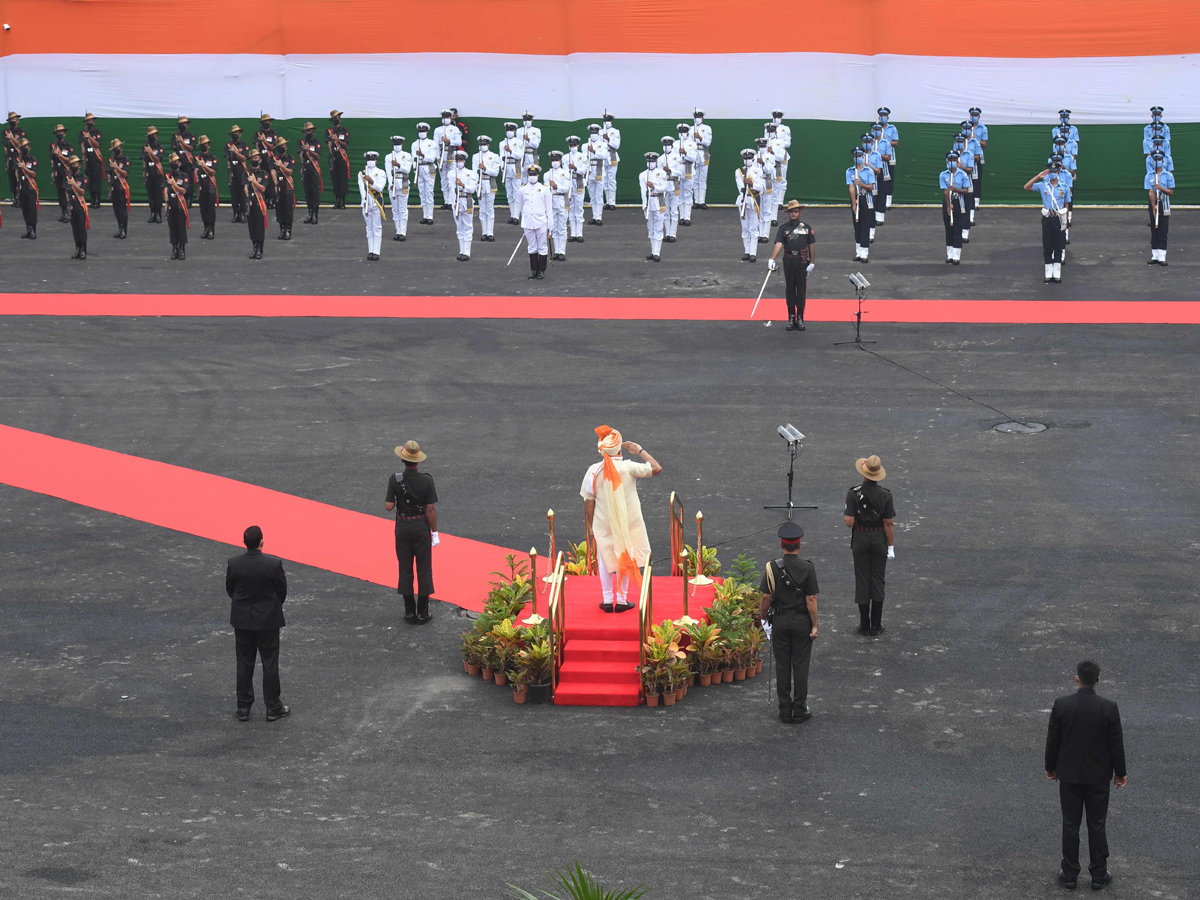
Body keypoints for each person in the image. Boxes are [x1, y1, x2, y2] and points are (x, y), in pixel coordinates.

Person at [1045, 660, 1126, 891]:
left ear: (1077, 678)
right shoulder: (1109, 708)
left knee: (1070, 824)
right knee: (1097, 824)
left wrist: (1050, 767)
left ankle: (1070, 874)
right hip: (1099, 777)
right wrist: (1120, 773)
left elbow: (1053, 740)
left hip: (1069, 776)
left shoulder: (1061, 705)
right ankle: (1099, 874)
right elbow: (1116, 745)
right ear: (1098, 681)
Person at [581, 426, 661, 612]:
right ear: (619, 449)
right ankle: (622, 600)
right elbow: (656, 468)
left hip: (603, 522)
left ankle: (607, 600)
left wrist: (590, 524)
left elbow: (588, 501)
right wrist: (639, 450)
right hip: (628, 522)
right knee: (625, 556)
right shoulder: (628, 466)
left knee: (605, 559)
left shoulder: (594, 470)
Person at [225, 525, 290, 723]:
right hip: (268, 621)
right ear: (262, 541)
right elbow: (282, 591)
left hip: (242, 620)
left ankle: (243, 707)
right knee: (270, 663)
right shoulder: (272, 564)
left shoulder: (234, 563)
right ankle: (273, 707)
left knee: (244, 662)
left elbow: (230, 589)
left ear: (244, 542)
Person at [759, 521, 818, 724]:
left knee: (782, 666)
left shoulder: (771, 568)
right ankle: (800, 709)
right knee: (800, 667)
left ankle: (785, 710)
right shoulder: (808, 568)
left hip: (781, 621)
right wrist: (815, 625)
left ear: (782, 545)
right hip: (802, 621)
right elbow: (811, 599)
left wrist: (762, 617)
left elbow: (766, 597)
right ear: (799, 545)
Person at [385, 441, 439, 625]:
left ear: (402, 459)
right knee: (424, 567)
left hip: (402, 527)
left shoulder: (395, 479)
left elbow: (388, 506)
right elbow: (430, 509)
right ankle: (423, 612)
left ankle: (409, 611)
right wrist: (434, 532)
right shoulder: (427, 480)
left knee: (405, 567)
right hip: (421, 527)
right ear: (418, 460)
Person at [843, 454, 895, 636]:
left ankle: (864, 624)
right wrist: (891, 547)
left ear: (864, 473)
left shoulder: (853, 493)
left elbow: (849, 522)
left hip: (860, 538)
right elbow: (888, 523)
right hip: (879, 538)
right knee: (878, 579)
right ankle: (876, 625)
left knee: (863, 579)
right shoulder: (886, 495)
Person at [767, 200, 816, 331]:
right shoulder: (783, 228)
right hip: (788, 259)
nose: (793, 214)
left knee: (801, 288)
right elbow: (778, 244)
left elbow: (811, 246)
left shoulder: (806, 227)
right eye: (791, 212)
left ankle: (800, 317)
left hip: (802, 260)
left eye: (796, 211)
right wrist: (772, 258)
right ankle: (790, 316)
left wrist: (812, 262)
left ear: (799, 212)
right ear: (788, 213)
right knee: (790, 288)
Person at [1024, 163, 1069, 283]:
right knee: (1047, 245)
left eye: (1055, 171)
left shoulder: (1064, 187)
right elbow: (1026, 187)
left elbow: (1066, 205)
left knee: (1058, 245)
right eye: (1050, 171)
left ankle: (1057, 272)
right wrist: (1038, 176)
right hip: (1047, 218)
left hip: (1058, 219)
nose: (1052, 173)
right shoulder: (1043, 185)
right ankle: (1048, 273)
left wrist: (1066, 222)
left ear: (1058, 172)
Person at [519, 163, 553, 278]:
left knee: (542, 247)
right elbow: (522, 207)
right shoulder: (522, 189)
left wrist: (550, 226)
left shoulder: (544, 189)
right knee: (532, 246)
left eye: (534, 174)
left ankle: (541, 270)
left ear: (538, 175)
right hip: (528, 222)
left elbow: (549, 208)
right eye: (530, 174)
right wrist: (525, 218)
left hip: (541, 222)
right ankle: (534, 270)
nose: (532, 176)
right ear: (527, 175)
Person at [939, 151, 971, 264]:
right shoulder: (943, 175)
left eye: (954, 160)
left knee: (957, 229)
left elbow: (966, 190)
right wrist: (948, 206)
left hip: (959, 203)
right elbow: (945, 192)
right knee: (948, 229)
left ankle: (957, 256)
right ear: (947, 161)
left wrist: (956, 189)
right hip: (948, 202)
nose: (952, 163)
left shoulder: (962, 175)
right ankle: (950, 255)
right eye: (950, 160)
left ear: (957, 162)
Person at [845, 147, 876, 262]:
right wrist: (854, 204)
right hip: (856, 200)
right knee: (857, 225)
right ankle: (858, 252)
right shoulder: (849, 171)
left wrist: (861, 183)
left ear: (863, 157)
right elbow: (851, 187)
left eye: (860, 156)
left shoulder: (869, 171)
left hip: (866, 200)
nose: (858, 158)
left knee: (865, 225)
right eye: (856, 156)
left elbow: (871, 187)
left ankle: (864, 253)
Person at [735, 148, 764, 262]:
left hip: (754, 199)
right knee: (745, 227)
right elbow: (740, 187)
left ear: (753, 158)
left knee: (753, 227)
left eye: (749, 158)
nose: (747, 160)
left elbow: (761, 187)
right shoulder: (739, 171)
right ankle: (746, 251)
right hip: (743, 199)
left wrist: (752, 184)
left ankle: (753, 253)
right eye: (745, 158)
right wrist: (744, 197)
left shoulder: (758, 170)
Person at [638, 151, 668, 262]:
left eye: (652, 161)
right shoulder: (642, 175)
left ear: (656, 162)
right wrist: (644, 205)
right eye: (649, 161)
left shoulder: (661, 173)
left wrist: (654, 186)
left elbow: (664, 187)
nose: (650, 163)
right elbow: (642, 191)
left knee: (658, 228)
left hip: (658, 200)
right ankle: (652, 251)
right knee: (650, 228)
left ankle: (657, 252)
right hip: (649, 203)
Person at [1146, 151, 1174, 265]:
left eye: (1159, 159)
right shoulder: (1149, 176)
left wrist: (1161, 188)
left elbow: (1170, 192)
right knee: (1154, 228)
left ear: (1163, 161)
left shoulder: (1168, 175)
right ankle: (1155, 255)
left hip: (1165, 204)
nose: (1157, 162)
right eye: (1155, 159)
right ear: (1152, 161)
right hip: (1154, 203)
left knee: (1163, 229)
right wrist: (1154, 207)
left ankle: (1162, 257)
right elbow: (1150, 192)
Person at [450, 149, 478, 261]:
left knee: (468, 226)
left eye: (461, 159)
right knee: (459, 227)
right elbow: (451, 190)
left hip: (467, 201)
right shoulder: (451, 173)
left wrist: (462, 184)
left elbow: (472, 189)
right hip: (456, 203)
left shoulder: (471, 174)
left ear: (465, 161)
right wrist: (453, 203)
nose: (459, 162)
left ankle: (467, 252)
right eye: (457, 160)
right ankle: (461, 250)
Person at [359, 150, 387, 261]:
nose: (370, 161)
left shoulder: (381, 172)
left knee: (377, 228)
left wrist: (371, 181)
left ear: (376, 160)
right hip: (366, 204)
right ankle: (370, 250)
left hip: (376, 204)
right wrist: (364, 199)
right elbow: (361, 189)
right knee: (369, 228)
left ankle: (376, 251)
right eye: (369, 159)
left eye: (372, 159)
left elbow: (380, 188)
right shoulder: (361, 173)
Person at [472, 134, 500, 243]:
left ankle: (490, 232)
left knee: (490, 208)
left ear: (488, 145)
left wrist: (485, 168)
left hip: (490, 182)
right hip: (480, 183)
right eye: (481, 144)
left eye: (484, 144)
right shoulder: (475, 156)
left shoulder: (494, 156)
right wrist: (477, 184)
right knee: (482, 209)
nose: (482, 146)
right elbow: (474, 172)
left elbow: (496, 172)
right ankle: (484, 232)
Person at [384, 135, 413, 242]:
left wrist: (398, 165)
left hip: (403, 183)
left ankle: (403, 232)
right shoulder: (388, 156)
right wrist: (390, 182)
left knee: (403, 209)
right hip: (393, 184)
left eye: (398, 144)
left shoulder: (407, 155)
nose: (397, 146)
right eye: (395, 144)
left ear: (402, 144)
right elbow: (387, 171)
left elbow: (407, 170)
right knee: (395, 209)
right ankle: (397, 231)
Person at [432, 109, 462, 210]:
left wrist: (448, 141)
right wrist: (438, 157)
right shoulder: (437, 130)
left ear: (450, 118)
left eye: (447, 117)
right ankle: (446, 201)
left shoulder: (455, 129)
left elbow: (459, 142)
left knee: (452, 178)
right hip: (441, 155)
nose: (445, 119)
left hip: (451, 155)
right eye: (444, 117)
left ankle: (451, 201)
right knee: (443, 180)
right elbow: (435, 144)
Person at [163, 152, 190, 260]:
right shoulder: (167, 176)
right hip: (171, 204)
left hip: (180, 205)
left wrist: (174, 185)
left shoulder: (184, 176)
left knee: (181, 227)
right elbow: (165, 189)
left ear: (179, 163)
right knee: (172, 228)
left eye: (176, 162)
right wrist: (166, 202)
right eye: (172, 162)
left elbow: (183, 191)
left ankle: (182, 248)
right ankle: (175, 248)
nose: (175, 164)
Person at [244, 148, 269, 259]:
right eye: (253, 158)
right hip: (250, 202)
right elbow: (245, 187)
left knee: (259, 226)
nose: (254, 160)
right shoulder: (246, 173)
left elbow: (263, 189)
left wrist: (254, 182)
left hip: (259, 203)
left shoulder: (263, 174)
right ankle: (254, 247)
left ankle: (260, 249)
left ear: (260, 160)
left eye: (256, 158)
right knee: (252, 226)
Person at [193, 135, 219, 240]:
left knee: (210, 209)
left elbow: (213, 172)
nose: (204, 146)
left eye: (205, 144)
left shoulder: (212, 158)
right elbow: (194, 171)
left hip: (210, 185)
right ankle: (206, 228)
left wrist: (204, 166)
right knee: (203, 209)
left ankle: (212, 229)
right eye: (202, 145)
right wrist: (197, 182)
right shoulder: (196, 158)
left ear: (208, 145)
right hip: (201, 186)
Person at [545, 150, 570, 260]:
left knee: (562, 226)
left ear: (560, 161)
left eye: (557, 160)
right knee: (553, 227)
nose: (555, 162)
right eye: (553, 160)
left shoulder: (565, 173)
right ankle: (556, 251)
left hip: (561, 199)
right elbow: (545, 189)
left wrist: (556, 186)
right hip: (551, 200)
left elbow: (567, 188)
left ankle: (562, 251)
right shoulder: (547, 174)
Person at [858, 133, 883, 243]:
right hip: (859, 190)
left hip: (872, 188)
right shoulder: (859, 156)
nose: (867, 144)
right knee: (861, 212)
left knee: (871, 211)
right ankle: (862, 233)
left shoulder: (876, 155)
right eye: (865, 142)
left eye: (869, 142)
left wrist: (869, 167)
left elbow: (878, 171)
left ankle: (871, 233)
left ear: (872, 143)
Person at [498, 122, 525, 223]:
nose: (509, 132)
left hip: (515, 167)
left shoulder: (519, 142)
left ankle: (517, 216)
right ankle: (512, 215)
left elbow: (519, 156)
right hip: (506, 168)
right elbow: (501, 157)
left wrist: (510, 151)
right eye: (508, 130)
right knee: (509, 194)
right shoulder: (502, 143)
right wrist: (502, 168)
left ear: (514, 131)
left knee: (516, 193)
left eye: (511, 130)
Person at [65, 156, 89, 260]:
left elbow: (82, 191)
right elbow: (65, 191)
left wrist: (74, 184)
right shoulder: (67, 178)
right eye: (72, 165)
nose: (74, 166)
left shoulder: (83, 177)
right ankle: (77, 248)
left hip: (80, 205)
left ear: (79, 165)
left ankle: (83, 249)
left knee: (81, 228)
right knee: (75, 229)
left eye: (76, 164)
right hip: (71, 205)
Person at [49, 124, 74, 223]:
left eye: (62, 132)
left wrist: (60, 154)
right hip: (57, 172)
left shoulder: (68, 146)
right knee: (60, 193)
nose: (60, 133)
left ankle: (69, 212)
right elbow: (52, 160)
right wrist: (53, 172)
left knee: (66, 193)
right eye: (58, 132)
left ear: (64, 134)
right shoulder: (52, 146)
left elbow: (70, 160)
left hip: (66, 172)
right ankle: (63, 212)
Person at [659, 135, 682, 243]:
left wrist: (670, 170)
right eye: (665, 145)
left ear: (672, 146)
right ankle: (667, 233)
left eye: (668, 145)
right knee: (665, 211)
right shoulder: (659, 159)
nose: (666, 147)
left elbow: (681, 171)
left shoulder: (677, 157)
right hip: (664, 186)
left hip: (674, 184)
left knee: (674, 211)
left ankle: (673, 234)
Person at [675, 123, 699, 226]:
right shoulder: (675, 144)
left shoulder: (692, 144)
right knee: (679, 194)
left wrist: (685, 153)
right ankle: (681, 216)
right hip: (678, 171)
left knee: (688, 194)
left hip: (689, 171)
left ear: (687, 133)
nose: (682, 133)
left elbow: (694, 158)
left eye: (684, 131)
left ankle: (687, 217)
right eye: (680, 131)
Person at [412, 123, 437, 224]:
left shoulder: (432, 143)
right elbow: (413, 158)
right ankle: (425, 215)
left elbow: (432, 158)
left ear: (427, 132)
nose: (421, 133)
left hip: (428, 167)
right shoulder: (414, 144)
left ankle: (430, 216)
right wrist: (415, 170)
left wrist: (422, 155)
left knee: (429, 192)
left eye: (423, 131)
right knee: (422, 193)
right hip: (419, 168)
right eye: (420, 131)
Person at [565, 135, 587, 242]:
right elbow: (564, 172)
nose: (572, 146)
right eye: (571, 145)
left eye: (574, 145)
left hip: (579, 182)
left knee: (579, 208)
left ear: (577, 145)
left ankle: (579, 233)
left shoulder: (583, 156)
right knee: (571, 209)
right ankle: (573, 233)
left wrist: (575, 168)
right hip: (569, 183)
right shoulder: (565, 157)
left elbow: (583, 171)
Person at [326, 110, 350, 209]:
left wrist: (337, 139)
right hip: (333, 157)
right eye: (335, 117)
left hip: (342, 158)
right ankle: (337, 201)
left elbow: (345, 145)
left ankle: (342, 202)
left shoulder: (344, 131)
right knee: (335, 179)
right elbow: (328, 144)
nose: (337, 118)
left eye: (338, 116)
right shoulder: (328, 131)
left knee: (342, 179)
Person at [170, 116, 197, 207]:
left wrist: (182, 142)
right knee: (178, 180)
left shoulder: (191, 136)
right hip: (178, 162)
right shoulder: (175, 136)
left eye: (184, 124)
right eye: (181, 124)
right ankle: (180, 197)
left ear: (187, 125)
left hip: (188, 161)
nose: (183, 125)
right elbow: (174, 148)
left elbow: (191, 148)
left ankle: (189, 199)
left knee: (189, 181)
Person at [272, 138, 295, 240]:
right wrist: (276, 184)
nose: (282, 147)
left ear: (286, 147)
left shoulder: (290, 158)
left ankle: (288, 230)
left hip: (287, 185)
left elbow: (290, 172)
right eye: (280, 146)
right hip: (279, 185)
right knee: (279, 208)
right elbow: (272, 171)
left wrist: (282, 166)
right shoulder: (273, 159)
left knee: (288, 209)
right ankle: (281, 229)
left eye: (283, 145)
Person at [300, 123, 323, 225]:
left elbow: (317, 156)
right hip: (306, 168)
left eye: (310, 130)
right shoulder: (301, 143)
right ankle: (309, 213)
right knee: (307, 193)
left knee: (314, 192)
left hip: (314, 169)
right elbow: (301, 157)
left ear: (313, 131)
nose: (308, 132)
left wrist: (309, 150)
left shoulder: (316, 142)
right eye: (307, 131)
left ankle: (315, 214)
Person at [225, 125, 249, 224]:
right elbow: (228, 159)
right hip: (233, 171)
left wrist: (235, 152)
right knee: (234, 194)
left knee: (242, 193)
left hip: (241, 170)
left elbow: (244, 158)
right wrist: (229, 171)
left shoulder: (244, 145)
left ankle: (243, 213)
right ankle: (235, 213)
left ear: (240, 134)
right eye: (233, 133)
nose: (235, 134)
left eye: (237, 133)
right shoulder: (228, 145)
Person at [79, 112, 104, 208]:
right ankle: (92, 198)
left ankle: (97, 199)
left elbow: (97, 144)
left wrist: (89, 137)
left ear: (93, 121)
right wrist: (84, 155)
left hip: (96, 158)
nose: (89, 122)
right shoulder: (82, 133)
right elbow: (82, 144)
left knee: (96, 179)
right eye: (87, 121)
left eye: (90, 120)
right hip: (88, 158)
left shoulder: (97, 133)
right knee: (89, 179)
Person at [107, 138, 130, 240]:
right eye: (114, 149)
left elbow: (125, 173)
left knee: (122, 210)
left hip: (122, 187)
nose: (116, 150)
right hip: (114, 187)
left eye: (117, 148)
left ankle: (124, 229)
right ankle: (119, 227)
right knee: (116, 210)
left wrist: (117, 167)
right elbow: (109, 175)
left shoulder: (125, 160)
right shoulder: (111, 160)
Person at [15, 138, 38, 239]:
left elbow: (33, 174)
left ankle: (33, 230)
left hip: (30, 187)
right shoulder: (19, 160)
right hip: (22, 187)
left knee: (31, 209)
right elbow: (16, 173)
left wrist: (24, 168)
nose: (24, 148)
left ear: (29, 147)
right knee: (24, 209)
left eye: (25, 146)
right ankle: (28, 228)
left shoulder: (32, 160)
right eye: (22, 147)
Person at [877, 107, 899, 207]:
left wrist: (885, 142)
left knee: (889, 179)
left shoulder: (892, 128)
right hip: (878, 158)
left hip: (889, 157)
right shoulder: (876, 128)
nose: (883, 117)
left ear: (888, 117)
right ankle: (879, 199)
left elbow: (896, 142)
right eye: (881, 115)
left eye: (885, 115)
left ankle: (888, 201)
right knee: (879, 179)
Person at [690, 108, 712, 209]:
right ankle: (696, 201)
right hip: (693, 154)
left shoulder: (707, 128)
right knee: (694, 179)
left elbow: (708, 143)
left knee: (702, 179)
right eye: (696, 117)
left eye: (699, 116)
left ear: (702, 118)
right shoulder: (690, 129)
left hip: (704, 154)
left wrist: (699, 137)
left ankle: (702, 201)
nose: (697, 118)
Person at [143, 126, 165, 224]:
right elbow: (144, 161)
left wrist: (150, 152)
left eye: (154, 135)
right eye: (150, 135)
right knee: (151, 195)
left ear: (157, 136)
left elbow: (157, 160)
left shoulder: (159, 147)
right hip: (149, 174)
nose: (152, 137)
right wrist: (144, 175)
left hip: (157, 174)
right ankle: (152, 213)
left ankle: (158, 214)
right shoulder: (145, 147)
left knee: (158, 195)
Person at [585, 123, 606, 225]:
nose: (593, 135)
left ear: (598, 133)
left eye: (595, 133)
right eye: (592, 133)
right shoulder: (585, 145)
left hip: (599, 170)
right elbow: (584, 158)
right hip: (590, 171)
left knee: (599, 195)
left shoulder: (603, 144)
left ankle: (599, 217)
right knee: (592, 196)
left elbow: (604, 156)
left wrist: (593, 151)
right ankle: (594, 215)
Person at [5, 111, 26, 207]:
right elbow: (5, 147)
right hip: (10, 158)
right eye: (11, 119)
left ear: (17, 120)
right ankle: (15, 197)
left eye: (15, 119)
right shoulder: (5, 132)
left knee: (19, 178)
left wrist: (12, 138)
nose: (13, 121)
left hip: (18, 157)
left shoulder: (21, 131)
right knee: (12, 179)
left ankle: (20, 198)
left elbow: (21, 144)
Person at [967, 107, 987, 202]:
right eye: (972, 115)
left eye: (976, 115)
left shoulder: (983, 128)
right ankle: (967, 199)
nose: (974, 117)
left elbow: (984, 144)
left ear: (979, 116)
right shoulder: (966, 126)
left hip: (977, 157)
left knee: (977, 179)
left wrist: (974, 140)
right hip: (966, 157)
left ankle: (976, 201)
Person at [600, 111, 620, 208]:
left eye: (608, 120)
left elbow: (617, 145)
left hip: (612, 155)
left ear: (611, 122)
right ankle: (607, 202)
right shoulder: (599, 132)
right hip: (602, 156)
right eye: (604, 120)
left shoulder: (615, 131)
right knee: (604, 179)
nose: (606, 122)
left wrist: (608, 139)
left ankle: (612, 202)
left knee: (611, 180)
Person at [517, 112, 541, 185]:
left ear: (531, 120)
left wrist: (528, 139)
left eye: (528, 119)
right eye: (525, 119)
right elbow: (518, 144)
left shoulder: (536, 130)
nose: (526, 121)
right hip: (522, 155)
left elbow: (536, 145)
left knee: (531, 174)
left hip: (531, 156)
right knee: (521, 174)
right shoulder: (519, 130)